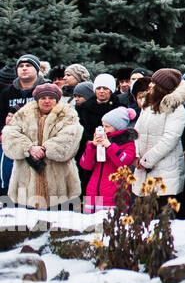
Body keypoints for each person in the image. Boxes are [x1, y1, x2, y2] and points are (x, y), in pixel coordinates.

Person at [2, 82, 83, 210]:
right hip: (25, 180)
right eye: (43, 98)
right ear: (37, 99)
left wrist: (46, 149)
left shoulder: (68, 115)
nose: (47, 101)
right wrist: (28, 148)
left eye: (51, 98)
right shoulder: (23, 114)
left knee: (59, 222)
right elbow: (9, 133)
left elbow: (70, 138)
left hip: (60, 181)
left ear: (57, 100)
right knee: (26, 223)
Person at [131, 69, 185, 206]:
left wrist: (146, 161)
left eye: (154, 83)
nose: (150, 85)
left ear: (163, 88)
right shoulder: (148, 105)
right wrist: (136, 155)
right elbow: (136, 132)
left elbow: (170, 140)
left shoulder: (176, 109)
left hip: (164, 172)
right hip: (142, 169)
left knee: (159, 219)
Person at [79, 106, 137, 213]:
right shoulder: (100, 141)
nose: (104, 129)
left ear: (118, 127)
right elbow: (85, 165)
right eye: (103, 125)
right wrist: (92, 146)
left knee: (111, 225)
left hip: (114, 192)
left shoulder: (128, 143)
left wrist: (110, 146)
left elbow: (124, 163)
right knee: (91, 226)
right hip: (94, 190)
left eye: (107, 126)